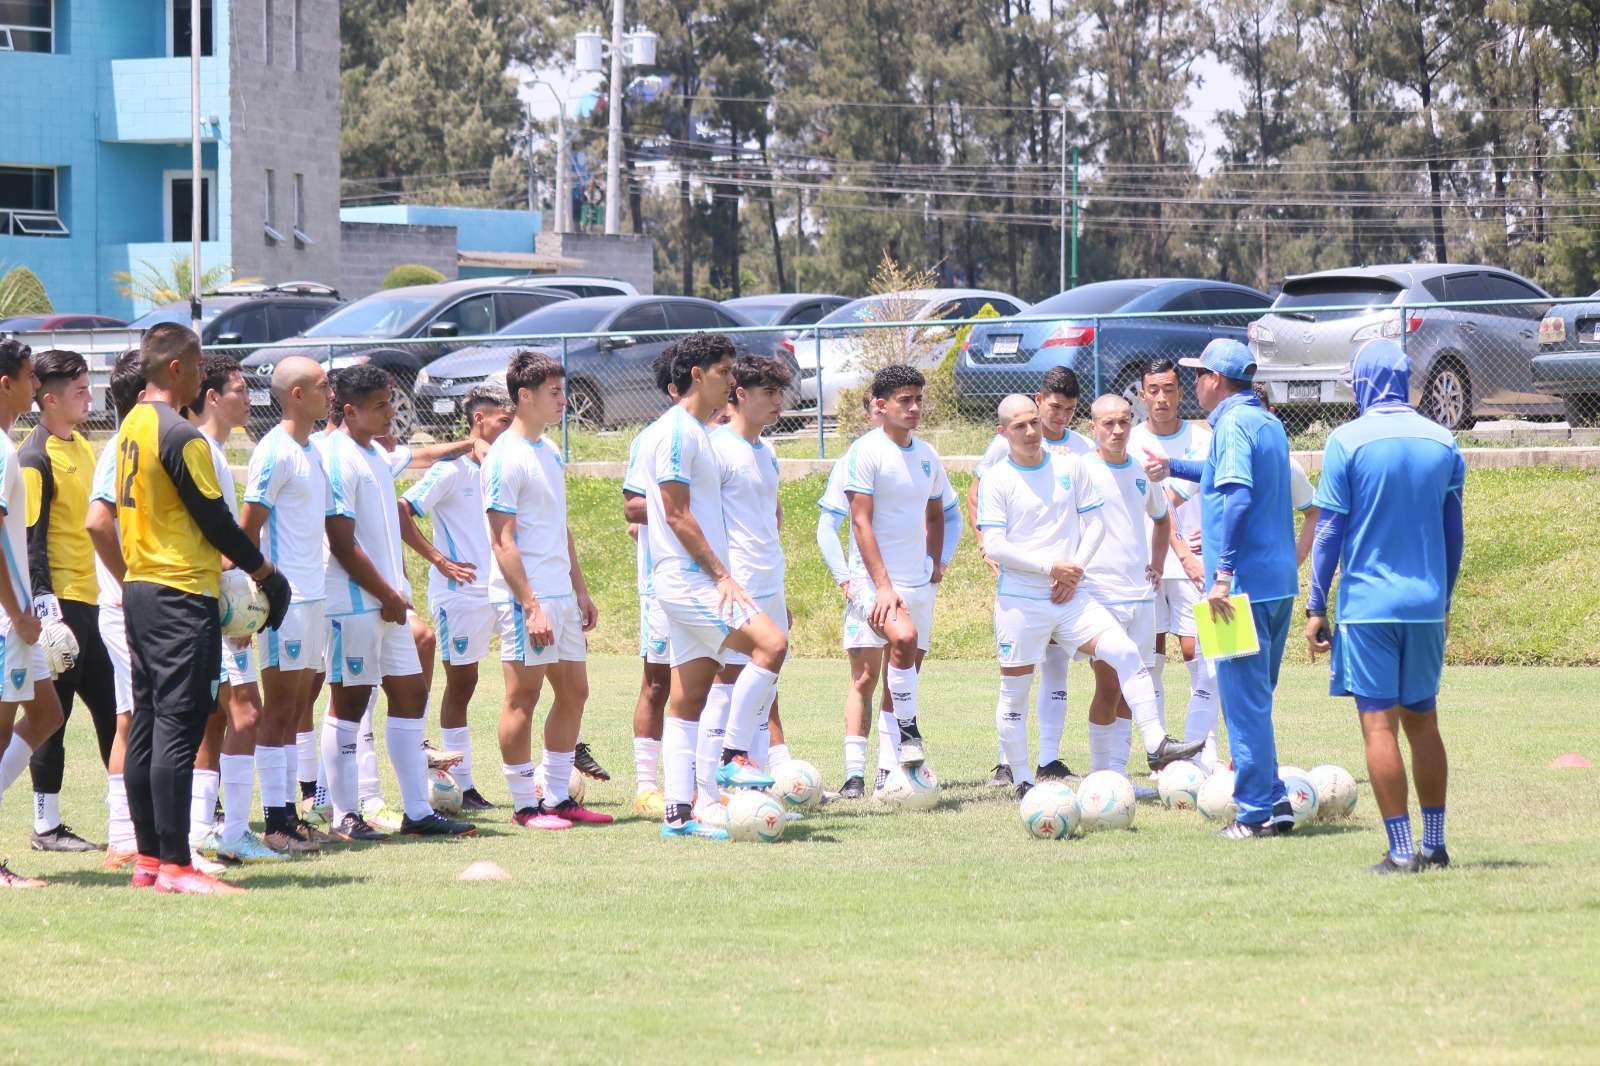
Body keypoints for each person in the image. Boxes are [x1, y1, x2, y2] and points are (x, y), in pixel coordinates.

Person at [115, 324, 290, 893]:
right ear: (174, 369)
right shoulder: (181, 435)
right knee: (179, 724)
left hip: (139, 587)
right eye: (194, 368)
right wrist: (267, 576)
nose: (199, 377)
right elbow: (214, 520)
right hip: (179, 591)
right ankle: (175, 865)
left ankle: (147, 859)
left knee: (148, 720)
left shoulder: (130, 426)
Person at [1305, 339, 1465, 874]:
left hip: (1369, 606)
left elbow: (1329, 531)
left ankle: (1400, 851)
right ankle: (1435, 844)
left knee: (1379, 728)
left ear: (1365, 382)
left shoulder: (1346, 441)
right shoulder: (1443, 441)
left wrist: (1315, 603)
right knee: (1424, 723)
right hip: (1425, 605)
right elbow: (1453, 533)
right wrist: (1444, 598)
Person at [977, 394, 1168, 801]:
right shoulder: (998, 478)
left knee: (1124, 651)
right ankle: (1024, 778)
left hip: (1071, 596)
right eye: (1019, 426)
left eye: (1033, 422)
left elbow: (1095, 523)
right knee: (1015, 692)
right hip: (1021, 601)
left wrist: (1073, 571)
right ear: (1002, 433)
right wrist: (1051, 568)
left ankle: (1156, 745)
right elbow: (993, 544)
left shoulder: (1068, 465)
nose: (1030, 432)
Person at [639, 332, 789, 839]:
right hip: (689, 582)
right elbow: (676, 514)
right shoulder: (679, 432)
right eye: (724, 371)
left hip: (688, 581)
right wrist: (722, 575)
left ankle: (679, 813)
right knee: (771, 644)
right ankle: (734, 753)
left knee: (689, 696)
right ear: (697, 375)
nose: (731, 379)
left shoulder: (698, 430)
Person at [1146, 338, 1297, 839]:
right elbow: (1219, 475)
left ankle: (1255, 814)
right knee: (1256, 698)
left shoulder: (1229, 425)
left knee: (1240, 701)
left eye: (1198, 375)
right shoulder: (1265, 421)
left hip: (1237, 591)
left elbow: (1234, 497)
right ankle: (1275, 799)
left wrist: (1223, 574)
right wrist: (1172, 468)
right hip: (1277, 586)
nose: (1194, 385)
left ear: (1216, 379)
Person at [319, 364, 475, 841]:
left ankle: (417, 812)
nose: (392, 412)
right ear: (350, 410)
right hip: (353, 602)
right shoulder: (336, 458)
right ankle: (344, 814)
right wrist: (387, 594)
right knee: (349, 702)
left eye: (392, 401)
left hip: (389, 604)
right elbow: (341, 541)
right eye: (381, 405)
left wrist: (396, 596)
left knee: (410, 694)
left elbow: (419, 456)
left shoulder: (375, 454)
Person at [482, 352, 609, 830]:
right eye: (554, 393)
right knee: (523, 697)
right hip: (525, 599)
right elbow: (502, 541)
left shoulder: (550, 451)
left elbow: (560, 527)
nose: (562, 399)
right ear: (524, 397)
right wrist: (530, 604)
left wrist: (580, 589)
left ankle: (557, 797)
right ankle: (523, 805)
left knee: (574, 690)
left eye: (562, 390)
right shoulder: (505, 457)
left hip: (560, 595)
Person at [966, 366, 1091, 787]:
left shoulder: (1079, 451)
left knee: (1058, 665)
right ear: (1039, 401)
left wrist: (1072, 571)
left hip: (1066, 583)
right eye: (1054, 408)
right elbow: (976, 492)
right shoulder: (1007, 445)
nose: (1060, 418)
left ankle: (1050, 759)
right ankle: (1009, 763)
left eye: (1070, 410)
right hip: (1023, 581)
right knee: (1019, 671)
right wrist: (987, 544)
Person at [187, 355, 284, 865]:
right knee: (247, 714)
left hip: (207, 603)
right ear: (211, 397)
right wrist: (238, 606)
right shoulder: (205, 451)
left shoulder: (214, 451)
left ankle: (205, 828)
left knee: (215, 720)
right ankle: (232, 835)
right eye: (240, 389)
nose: (250, 398)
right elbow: (217, 538)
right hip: (213, 608)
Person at [399, 384, 514, 812]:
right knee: (463, 684)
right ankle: (460, 784)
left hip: (505, 590)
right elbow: (401, 510)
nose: (509, 427)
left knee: (527, 678)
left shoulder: (506, 466)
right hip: (460, 596)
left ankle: (539, 775)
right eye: (502, 420)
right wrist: (440, 560)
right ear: (479, 422)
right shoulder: (451, 471)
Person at [20, 348, 117, 851]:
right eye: (80, 391)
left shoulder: (82, 444)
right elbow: (30, 540)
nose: (89, 397)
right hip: (62, 609)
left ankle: (127, 814)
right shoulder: (34, 458)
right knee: (52, 721)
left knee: (115, 708)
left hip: (95, 603)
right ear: (50, 399)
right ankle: (45, 825)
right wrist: (45, 609)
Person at [695, 355, 796, 824]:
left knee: (763, 685)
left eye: (781, 392)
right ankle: (711, 789)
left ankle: (748, 790)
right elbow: (695, 518)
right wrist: (720, 578)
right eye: (768, 393)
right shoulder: (716, 449)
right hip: (736, 585)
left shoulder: (766, 450)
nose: (778, 401)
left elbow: (769, 517)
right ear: (739, 395)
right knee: (727, 681)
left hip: (768, 581)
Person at [241, 355, 335, 854]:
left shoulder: (312, 450)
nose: (331, 392)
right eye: (322, 385)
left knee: (299, 706)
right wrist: (248, 596)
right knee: (277, 709)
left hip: (314, 598)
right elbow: (247, 527)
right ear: (296, 394)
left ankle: (291, 814)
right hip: (285, 602)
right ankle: (274, 820)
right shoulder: (274, 452)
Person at [1080, 394, 1203, 775]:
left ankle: (1118, 777)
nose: (1117, 430)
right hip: (1100, 595)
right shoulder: (1080, 470)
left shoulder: (1140, 471)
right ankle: (1104, 775)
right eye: (1108, 423)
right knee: (1110, 684)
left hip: (1140, 595)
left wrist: (1155, 562)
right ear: (1093, 428)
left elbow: (1162, 518)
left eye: (1123, 422)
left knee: (1134, 687)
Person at [844, 365, 956, 777]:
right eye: (904, 400)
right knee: (900, 641)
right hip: (877, 584)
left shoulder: (927, 455)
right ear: (881, 404)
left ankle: (888, 775)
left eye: (918, 400)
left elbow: (938, 512)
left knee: (902, 677)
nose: (913, 408)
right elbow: (860, 522)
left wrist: (933, 563)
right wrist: (883, 586)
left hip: (918, 583)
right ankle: (908, 734)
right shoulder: (866, 451)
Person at [0, 341, 66, 888]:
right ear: (6, 384)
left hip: (17, 619)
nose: (34, 388)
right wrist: (17, 613)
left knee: (47, 716)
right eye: (27, 378)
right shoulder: (4, 451)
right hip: (8, 620)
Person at [85, 350, 145, 867]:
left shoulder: (139, 446)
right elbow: (98, 523)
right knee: (132, 717)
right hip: (126, 609)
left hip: (139, 607)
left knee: (142, 715)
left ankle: (136, 831)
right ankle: (122, 835)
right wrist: (131, 585)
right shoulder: (119, 450)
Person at [620, 353, 680, 817]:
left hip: (711, 582)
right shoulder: (653, 438)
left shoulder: (717, 437)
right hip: (661, 580)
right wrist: (681, 503)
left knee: (710, 678)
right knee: (658, 681)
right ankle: (645, 786)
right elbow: (633, 508)